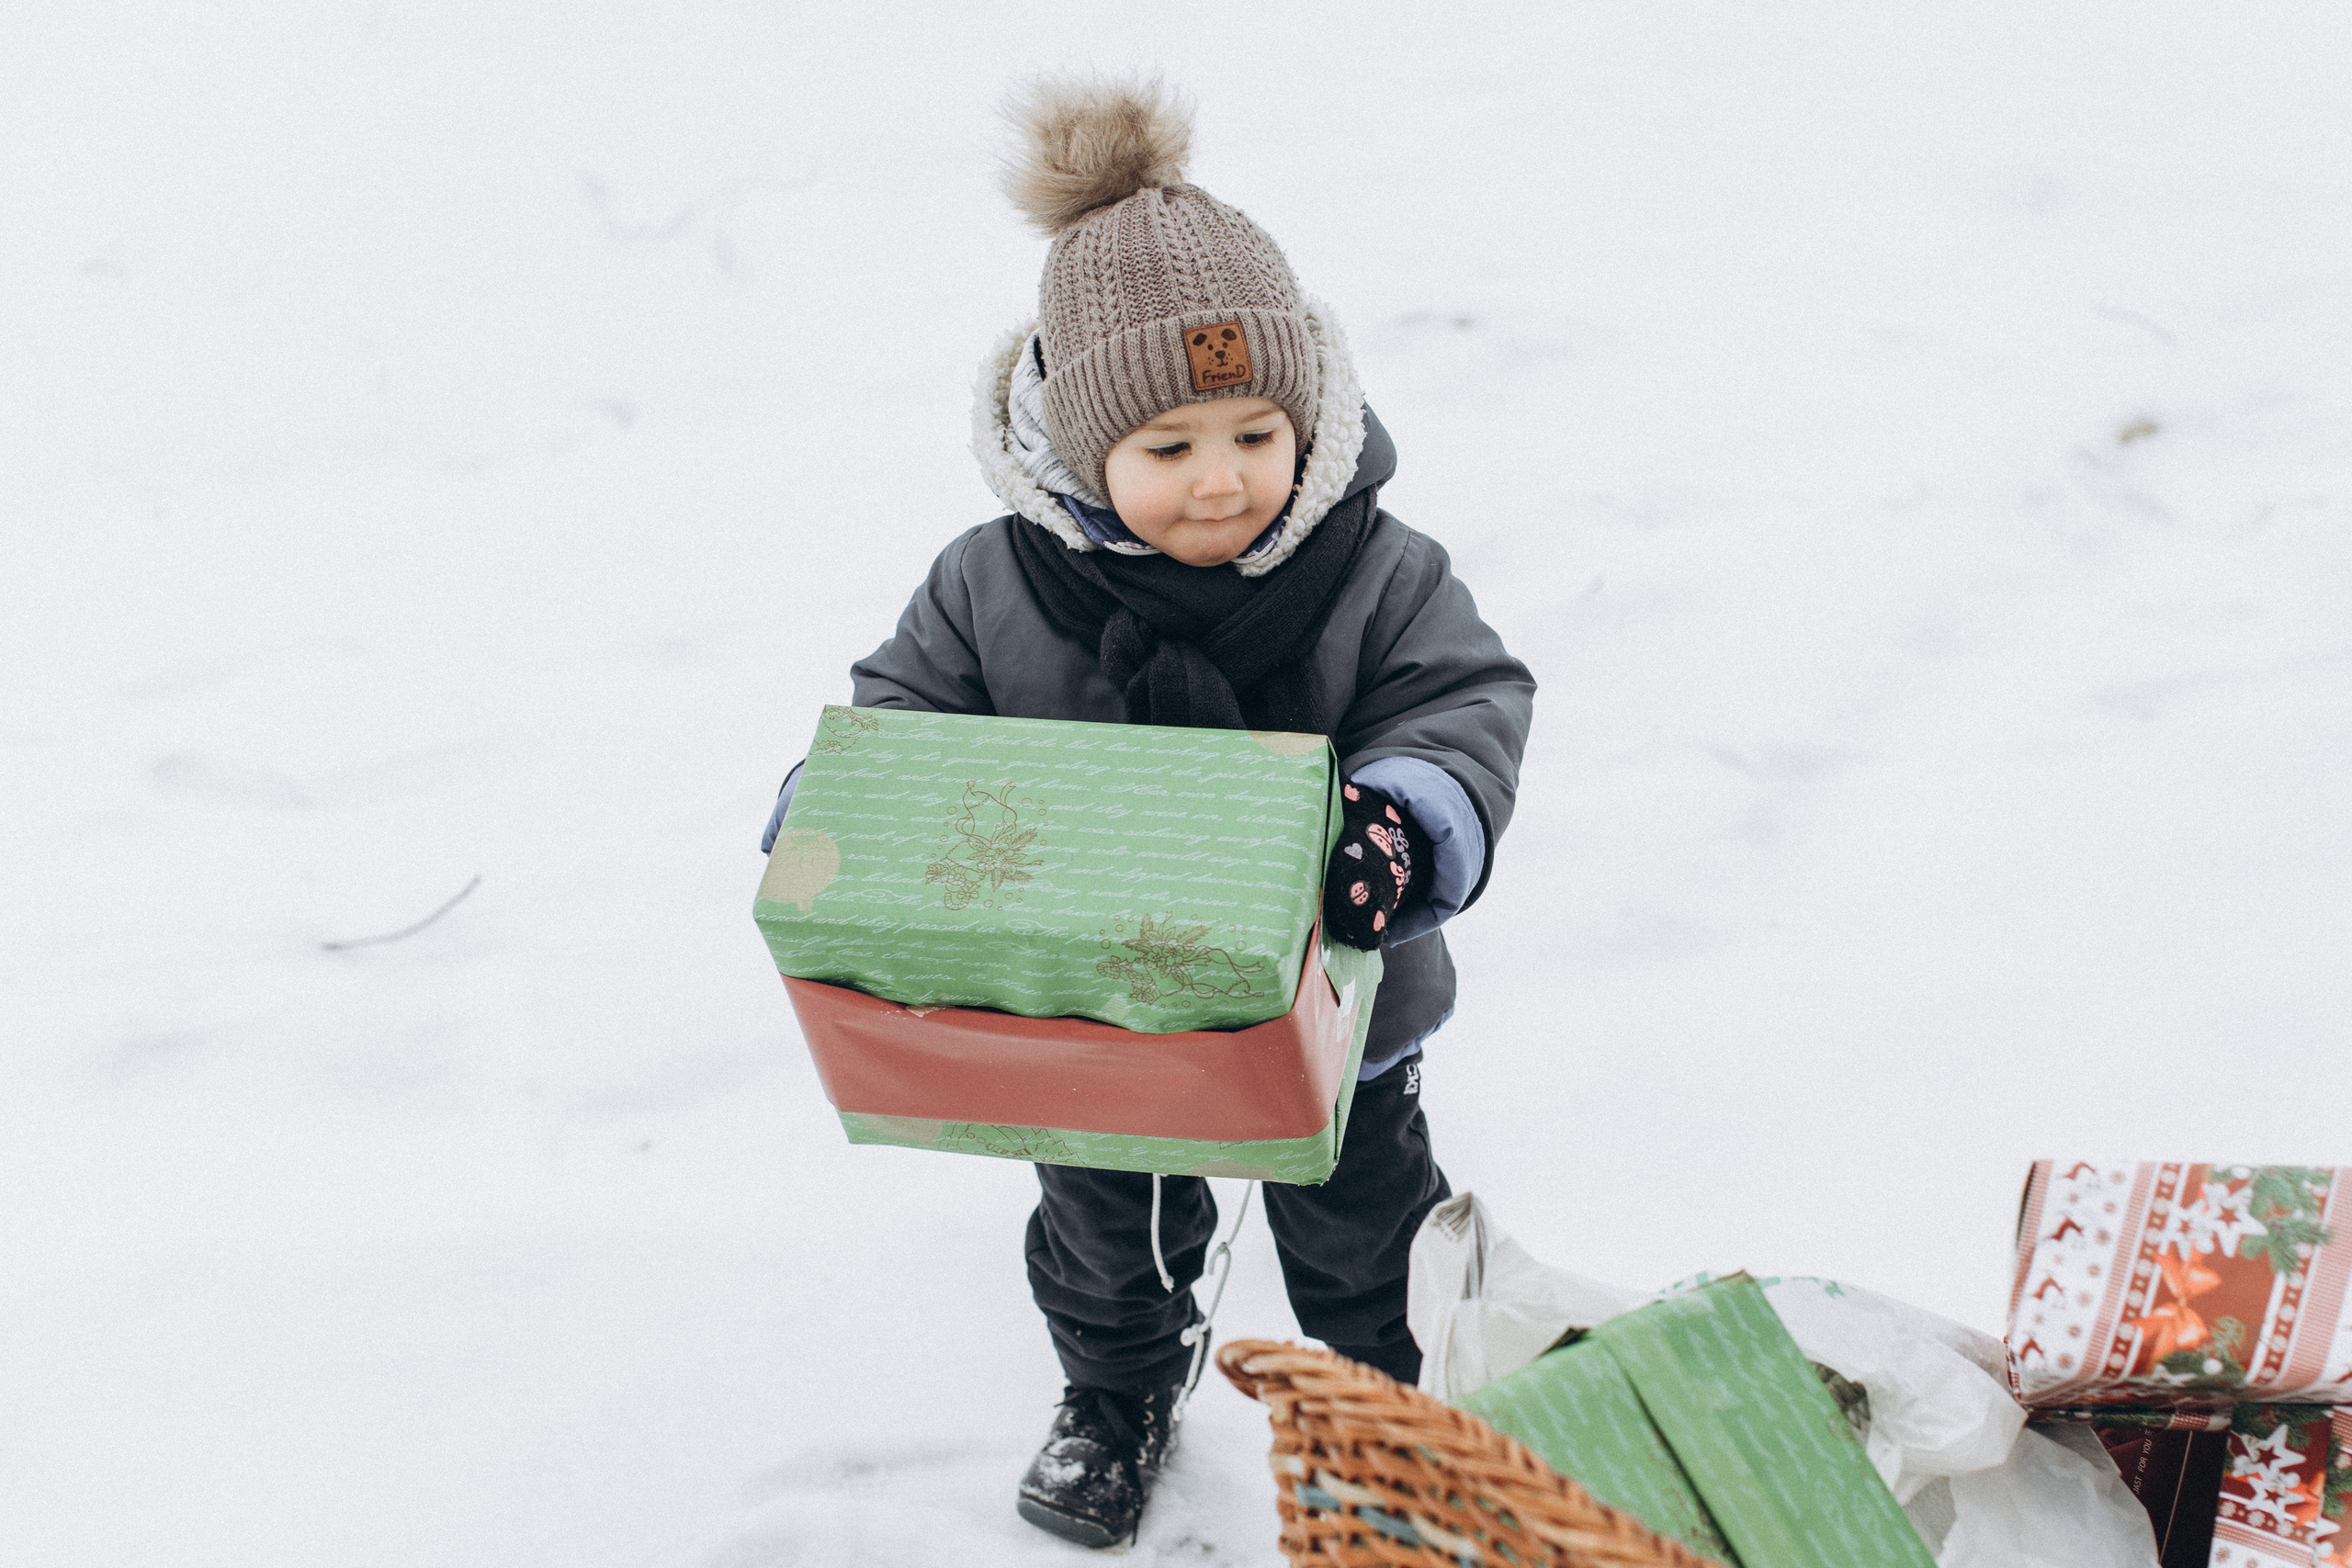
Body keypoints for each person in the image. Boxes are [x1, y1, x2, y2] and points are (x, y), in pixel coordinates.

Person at [761, 76, 1535, 1548]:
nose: (1222, 481)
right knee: (1106, 1223)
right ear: (1076, 446)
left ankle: (1389, 1412)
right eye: (1169, 449)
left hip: (1334, 1004)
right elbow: (903, 712)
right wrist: (847, 811)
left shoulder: (1378, 571)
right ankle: (1115, 1392)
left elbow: (1462, 699)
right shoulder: (991, 585)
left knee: (1366, 1223)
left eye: (1256, 432)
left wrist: (1403, 816)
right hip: (1089, 1010)